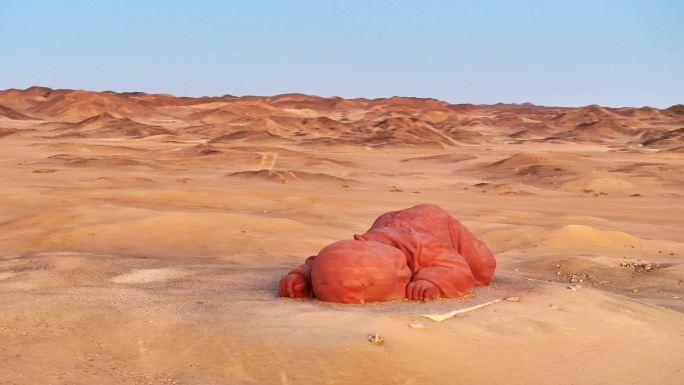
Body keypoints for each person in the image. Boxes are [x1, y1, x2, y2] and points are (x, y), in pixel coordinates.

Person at [278, 204, 496, 303]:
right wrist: (301, 277)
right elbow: (321, 262)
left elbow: (454, 265)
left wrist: (432, 281)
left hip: (434, 220)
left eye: (402, 268)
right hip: (386, 223)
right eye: (402, 277)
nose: (406, 275)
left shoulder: (421, 244)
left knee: (482, 268)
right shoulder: (352, 249)